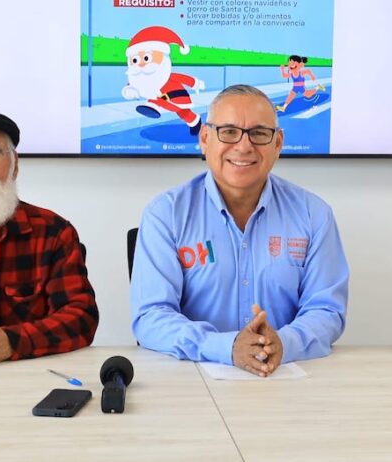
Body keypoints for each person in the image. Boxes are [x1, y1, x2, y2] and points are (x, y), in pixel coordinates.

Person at [131, 84, 348, 376]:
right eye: (229, 132)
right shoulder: (166, 214)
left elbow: (327, 311)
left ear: (278, 143)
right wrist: (227, 347)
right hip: (191, 381)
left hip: (284, 377)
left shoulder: (313, 214)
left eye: (259, 133)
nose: (244, 146)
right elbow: (151, 316)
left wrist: (284, 343)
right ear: (205, 139)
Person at [0, 109, 99, 366]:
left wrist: (10, 341)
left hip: (24, 378)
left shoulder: (53, 232)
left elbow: (81, 318)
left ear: (15, 165)